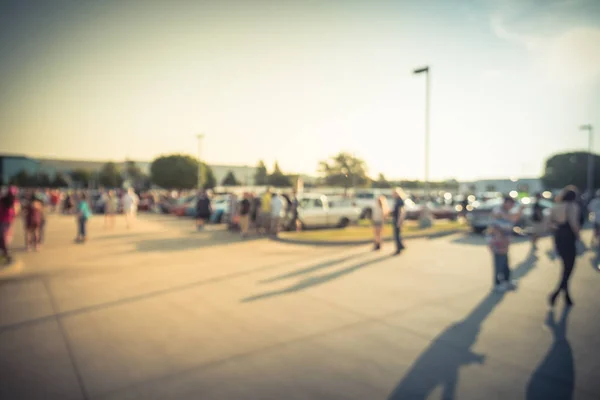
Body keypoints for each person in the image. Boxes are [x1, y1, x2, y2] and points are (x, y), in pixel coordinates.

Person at [548, 186, 580, 307]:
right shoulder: (572, 206)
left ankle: (566, 296)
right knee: (569, 267)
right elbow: (573, 223)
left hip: (558, 237)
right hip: (568, 238)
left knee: (565, 267)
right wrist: (578, 236)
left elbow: (550, 223)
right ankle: (555, 293)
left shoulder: (556, 206)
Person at [488, 196, 525, 292]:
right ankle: (497, 284)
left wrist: (520, 211)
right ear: (505, 202)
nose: (512, 206)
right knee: (499, 263)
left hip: (504, 242)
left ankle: (506, 281)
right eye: (511, 204)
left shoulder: (506, 211)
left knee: (505, 262)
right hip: (498, 242)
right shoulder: (498, 211)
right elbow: (497, 227)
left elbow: (513, 219)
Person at [0, 187, 19, 264]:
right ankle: (6, 255)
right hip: (7, 221)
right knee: (4, 239)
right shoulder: (14, 201)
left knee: (3, 238)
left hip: (4, 221)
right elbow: (16, 212)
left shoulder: (2, 200)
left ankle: (5, 254)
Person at [391, 188, 406, 255]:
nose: (393, 194)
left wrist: (399, 221)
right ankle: (401, 246)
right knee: (398, 234)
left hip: (398, 220)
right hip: (396, 219)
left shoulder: (400, 201)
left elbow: (402, 212)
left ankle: (398, 249)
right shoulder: (396, 200)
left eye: (394, 193)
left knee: (396, 235)